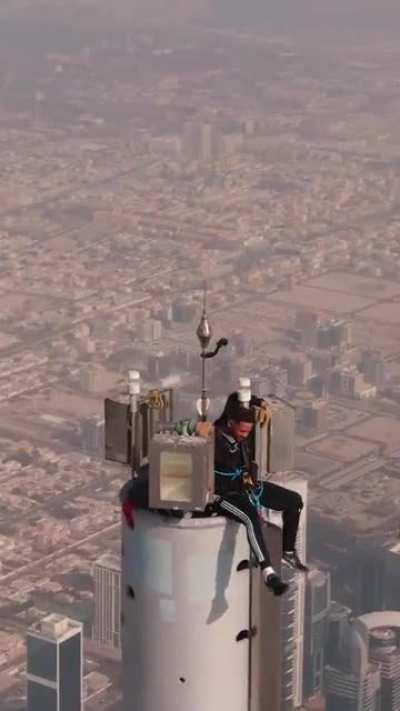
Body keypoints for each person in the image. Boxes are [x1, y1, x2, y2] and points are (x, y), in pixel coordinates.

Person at [210, 399, 308, 596]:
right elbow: (230, 403)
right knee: (250, 517)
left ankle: (287, 551)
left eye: (248, 432)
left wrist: (259, 402)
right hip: (225, 495)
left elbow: (238, 396)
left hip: (248, 486)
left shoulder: (241, 437)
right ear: (230, 424)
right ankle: (268, 572)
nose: (245, 436)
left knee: (294, 501)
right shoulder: (217, 439)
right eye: (242, 432)